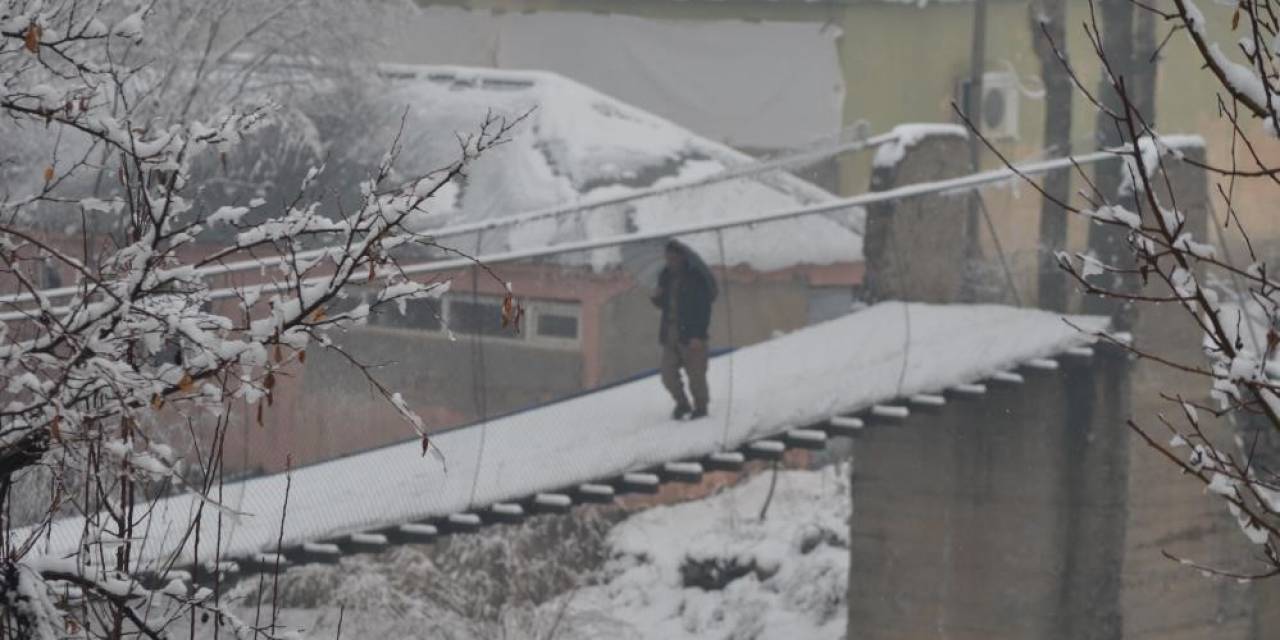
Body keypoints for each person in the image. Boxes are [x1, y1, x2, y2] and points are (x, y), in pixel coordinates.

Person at [651, 240, 717, 420]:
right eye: (667, 258)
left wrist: (698, 335)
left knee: (696, 376)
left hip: (691, 334)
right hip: (670, 331)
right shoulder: (665, 275)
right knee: (667, 375)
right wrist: (656, 297)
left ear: (682, 257)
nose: (670, 262)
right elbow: (663, 304)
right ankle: (682, 403)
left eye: (673, 258)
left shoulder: (696, 278)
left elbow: (704, 309)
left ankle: (701, 407)